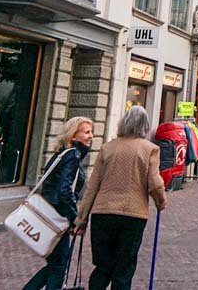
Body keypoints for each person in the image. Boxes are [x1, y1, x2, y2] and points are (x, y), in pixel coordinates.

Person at [74, 106, 167, 289]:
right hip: (133, 215)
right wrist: (160, 201)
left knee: (103, 266)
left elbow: (93, 186)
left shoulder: (107, 148)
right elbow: (154, 183)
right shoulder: (150, 150)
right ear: (145, 126)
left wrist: (81, 219)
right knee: (123, 269)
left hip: (103, 214)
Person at [23, 116, 92, 290]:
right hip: (57, 216)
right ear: (73, 136)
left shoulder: (63, 153)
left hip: (51, 213)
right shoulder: (72, 155)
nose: (91, 136)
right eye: (86, 132)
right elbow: (64, 190)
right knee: (59, 265)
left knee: (56, 264)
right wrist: (75, 218)